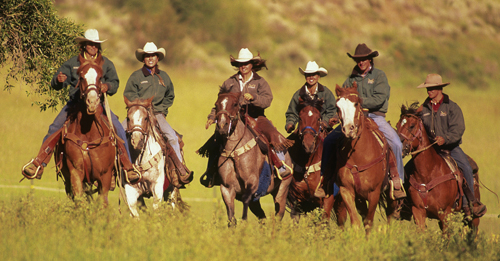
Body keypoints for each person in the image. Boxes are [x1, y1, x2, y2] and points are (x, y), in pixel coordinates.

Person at [22, 29, 140, 183]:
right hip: (75, 104)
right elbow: (57, 83)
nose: (93, 47)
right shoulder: (72, 63)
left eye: (96, 44)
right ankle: (39, 163)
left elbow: (115, 83)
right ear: (84, 45)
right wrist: (58, 79)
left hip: (99, 105)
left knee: (117, 128)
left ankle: (128, 168)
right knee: (55, 127)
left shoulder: (106, 64)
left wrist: (107, 87)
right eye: (90, 44)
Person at [317, 43, 406, 199]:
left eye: (364, 59)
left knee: (396, 143)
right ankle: (325, 180)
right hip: (353, 118)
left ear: (370, 59)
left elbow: (380, 98)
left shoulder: (379, 76)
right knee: (329, 141)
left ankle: (397, 181)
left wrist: (359, 101)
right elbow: (343, 99)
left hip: (375, 117)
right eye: (358, 59)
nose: (361, 62)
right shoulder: (350, 80)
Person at [200, 48, 292, 188]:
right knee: (215, 139)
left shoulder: (260, 82)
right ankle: (211, 173)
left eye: (246, 63)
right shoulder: (229, 82)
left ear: (252, 64)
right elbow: (220, 104)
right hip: (234, 119)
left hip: (256, 117)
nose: (243, 66)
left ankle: (280, 166)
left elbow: (267, 100)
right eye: (240, 64)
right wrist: (212, 116)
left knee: (272, 136)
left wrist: (254, 98)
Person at [417, 73, 486, 217]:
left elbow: (458, 129)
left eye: (432, 88)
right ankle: (405, 205)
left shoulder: (452, 107)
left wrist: (445, 139)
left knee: (467, 168)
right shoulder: (423, 109)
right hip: (430, 150)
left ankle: (470, 204)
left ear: (440, 88)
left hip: (450, 148)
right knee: (409, 169)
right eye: (427, 88)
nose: (429, 91)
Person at [123, 42, 192, 179]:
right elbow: (129, 94)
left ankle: (180, 170)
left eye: (153, 55)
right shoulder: (136, 76)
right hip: (139, 113)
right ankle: (118, 169)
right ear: (143, 58)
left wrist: (163, 110)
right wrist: (140, 106)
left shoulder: (164, 76)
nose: (150, 58)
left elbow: (170, 95)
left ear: (157, 58)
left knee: (172, 137)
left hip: (157, 114)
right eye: (147, 56)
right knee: (120, 133)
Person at [285, 61, 337, 134]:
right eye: (309, 75)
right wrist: (290, 124)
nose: (311, 77)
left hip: (323, 130)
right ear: (305, 76)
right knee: (285, 145)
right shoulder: (298, 95)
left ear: (318, 76)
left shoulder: (326, 93)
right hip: (303, 131)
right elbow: (292, 113)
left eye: (314, 74)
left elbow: (332, 110)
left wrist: (324, 122)